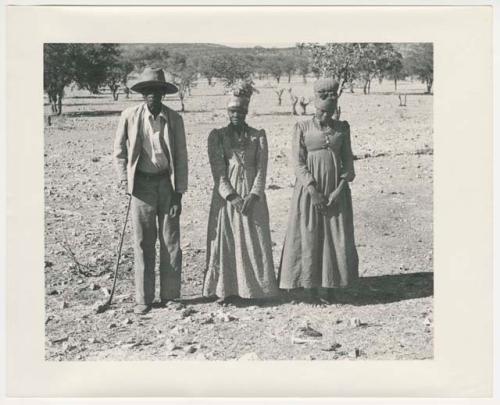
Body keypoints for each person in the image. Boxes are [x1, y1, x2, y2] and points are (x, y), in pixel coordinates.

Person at [113, 67, 188, 314]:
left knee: (171, 241)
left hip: (166, 184)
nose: (152, 96)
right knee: (144, 241)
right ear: (142, 95)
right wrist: (127, 183)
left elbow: (181, 157)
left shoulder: (174, 119)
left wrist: (179, 192)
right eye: (148, 92)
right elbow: (120, 153)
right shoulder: (129, 116)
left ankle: (171, 296)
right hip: (141, 186)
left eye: (157, 91)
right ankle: (143, 299)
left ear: (163, 94)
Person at [278, 78, 359, 305]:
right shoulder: (302, 128)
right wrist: (312, 189)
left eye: (332, 100)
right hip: (309, 191)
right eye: (324, 101)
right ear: (316, 102)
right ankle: (309, 288)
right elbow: (298, 162)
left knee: (334, 237)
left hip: (336, 191)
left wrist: (339, 190)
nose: (327, 114)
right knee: (309, 235)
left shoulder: (342, 128)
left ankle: (331, 286)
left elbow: (348, 165)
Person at [203, 80, 278, 304]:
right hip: (227, 198)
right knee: (227, 240)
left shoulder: (258, 136)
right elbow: (218, 171)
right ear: (228, 112)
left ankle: (257, 291)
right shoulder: (218, 136)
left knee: (255, 239)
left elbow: (262, 169)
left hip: (253, 196)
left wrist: (254, 194)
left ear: (246, 111)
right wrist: (232, 196)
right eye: (232, 111)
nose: (236, 115)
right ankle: (227, 290)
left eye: (241, 111)